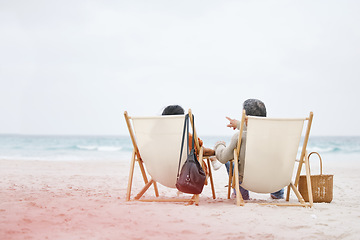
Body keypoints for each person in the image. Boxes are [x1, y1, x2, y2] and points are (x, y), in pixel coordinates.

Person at [213, 99, 284, 200]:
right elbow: (257, 129)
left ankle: (242, 194)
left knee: (230, 161)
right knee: (274, 162)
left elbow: (223, 158)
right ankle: (277, 193)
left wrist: (219, 145)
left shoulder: (239, 137)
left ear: (245, 118)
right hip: (273, 180)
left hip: (248, 181)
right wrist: (238, 124)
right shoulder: (277, 135)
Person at [161, 105, 219, 174]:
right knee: (198, 151)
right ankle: (215, 155)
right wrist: (215, 152)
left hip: (161, 173)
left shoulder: (158, 137)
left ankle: (214, 155)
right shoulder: (185, 136)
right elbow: (199, 147)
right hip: (188, 177)